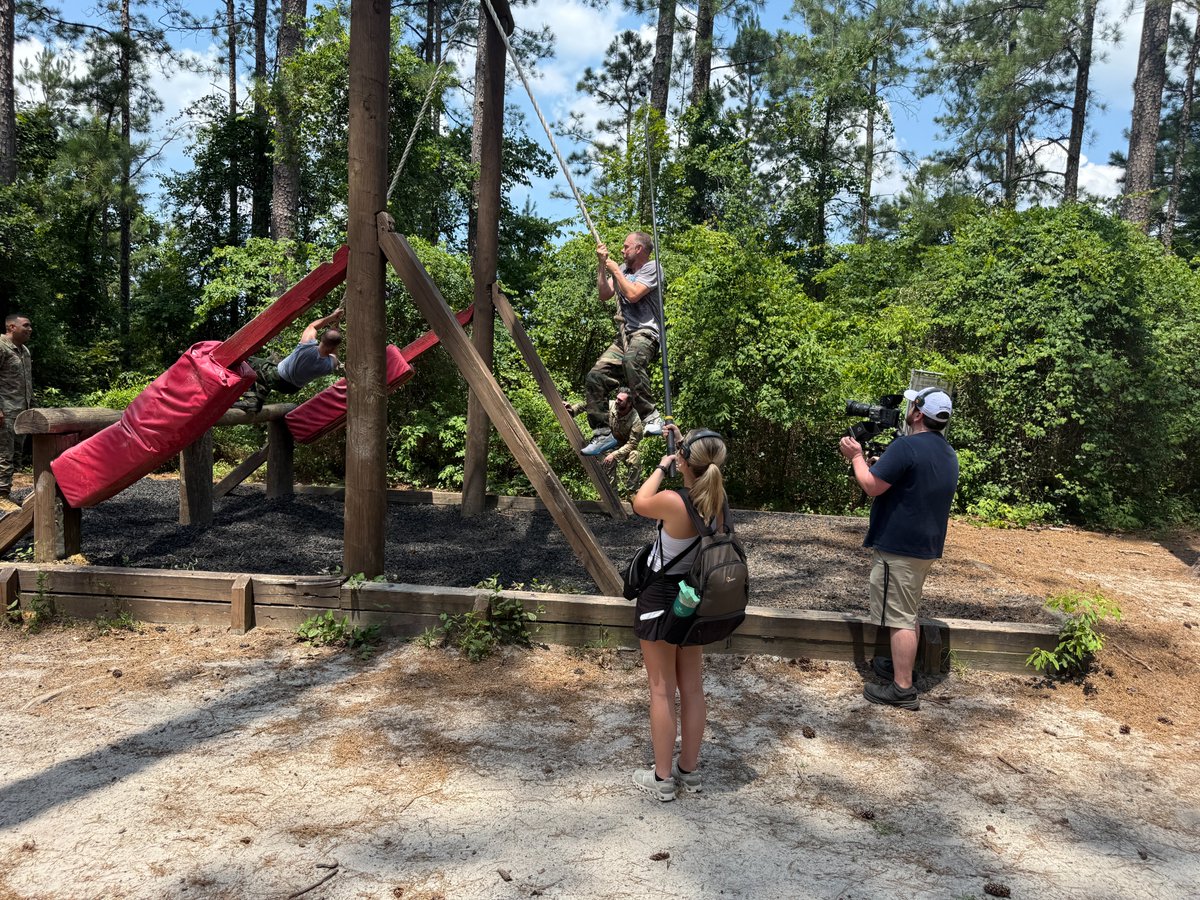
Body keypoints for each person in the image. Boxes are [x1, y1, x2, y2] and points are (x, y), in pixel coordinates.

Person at [838, 387, 960, 711]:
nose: (907, 409)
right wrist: (879, 464)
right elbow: (910, 485)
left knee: (901, 617)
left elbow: (871, 485)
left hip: (900, 548)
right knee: (907, 610)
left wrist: (856, 457)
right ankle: (897, 665)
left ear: (918, 413)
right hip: (924, 547)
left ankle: (902, 688)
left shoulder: (906, 446)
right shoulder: (947, 453)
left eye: (911, 405)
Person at [628, 422, 728, 800]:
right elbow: (701, 468)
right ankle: (689, 770)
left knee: (661, 691)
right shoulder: (718, 499)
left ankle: (662, 778)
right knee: (692, 687)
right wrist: (685, 445)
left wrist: (662, 463)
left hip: (664, 599)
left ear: (685, 461)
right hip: (698, 598)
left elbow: (639, 502)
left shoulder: (673, 500)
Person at [581, 232, 664, 455]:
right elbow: (604, 294)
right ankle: (602, 433)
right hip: (625, 336)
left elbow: (634, 293)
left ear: (638, 249)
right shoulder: (624, 270)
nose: (621, 250)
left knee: (631, 361)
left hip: (646, 333)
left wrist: (615, 270)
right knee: (595, 376)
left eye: (626, 247)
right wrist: (601, 266)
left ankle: (651, 416)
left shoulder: (652, 268)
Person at [239, 308, 344, 411]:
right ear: (335, 347)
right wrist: (335, 336)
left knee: (246, 361)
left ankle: (251, 400)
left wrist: (332, 317)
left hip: (279, 377)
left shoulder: (307, 346)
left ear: (321, 338)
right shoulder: (330, 365)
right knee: (270, 365)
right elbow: (334, 354)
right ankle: (258, 400)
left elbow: (312, 326)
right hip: (291, 388)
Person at [567, 386, 644, 498]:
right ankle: (612, 497)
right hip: (608, 444)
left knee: (635, 456)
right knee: (608, 464)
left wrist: (615, 454)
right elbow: (589, 405)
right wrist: (572, 410)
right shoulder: (610, 405)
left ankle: (632, 493)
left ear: (629, 404)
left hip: (624, 447)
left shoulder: (635, 419)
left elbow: (632, 443)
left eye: (620, 400)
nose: (617, 402)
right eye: (617, 398)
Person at [0, 314, 33, 513]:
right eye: (26, 326)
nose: (30, 329)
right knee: (4, 453)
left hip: (21, 410)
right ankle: (1, 496)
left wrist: (32, 407)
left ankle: (7, 492)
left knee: (15, 455)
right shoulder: (1, 346)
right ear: (12, 327)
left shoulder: (24, 350)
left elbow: (27, 381)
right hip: (5, 410)